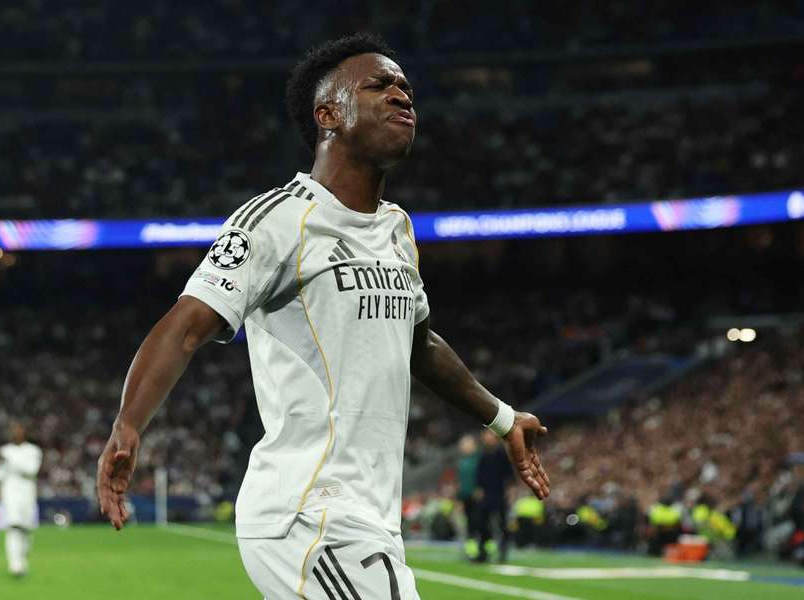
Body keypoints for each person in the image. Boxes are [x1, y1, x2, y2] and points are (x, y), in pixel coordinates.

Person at [96, 32, 550, 599]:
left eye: (406, 87)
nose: (402, 95)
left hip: (370, 517)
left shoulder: (397, 230)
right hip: (309, 511)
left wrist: (503, 419)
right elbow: (187, 325)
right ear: (328, 113)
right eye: (380, 85)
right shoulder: (279, 219)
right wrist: (128, 424)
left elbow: (420, 345)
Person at [0, 422, 43, 577]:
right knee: (13, 527)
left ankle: (23, 560)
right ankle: (14, 565)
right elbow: (0, 470)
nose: (15, 433)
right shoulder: (5, 450)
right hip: (10, 493)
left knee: (26, 530)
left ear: (24, 432)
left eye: (18, 430)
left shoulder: (33, 450)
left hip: (27, 493)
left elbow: (32, 470)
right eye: (13, 430)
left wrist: (10, 460)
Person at [473, 430, 515, 562]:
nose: (486, 439)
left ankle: (502, 553)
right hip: (486, 495)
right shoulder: (483, 455)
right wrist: (479, 490)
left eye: (489, 436)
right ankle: (483, 553)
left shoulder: (502, 454)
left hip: (499, 494)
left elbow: (509, 475)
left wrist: (509, 490)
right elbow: (479, 475)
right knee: (483, 525)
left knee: (502, 524)